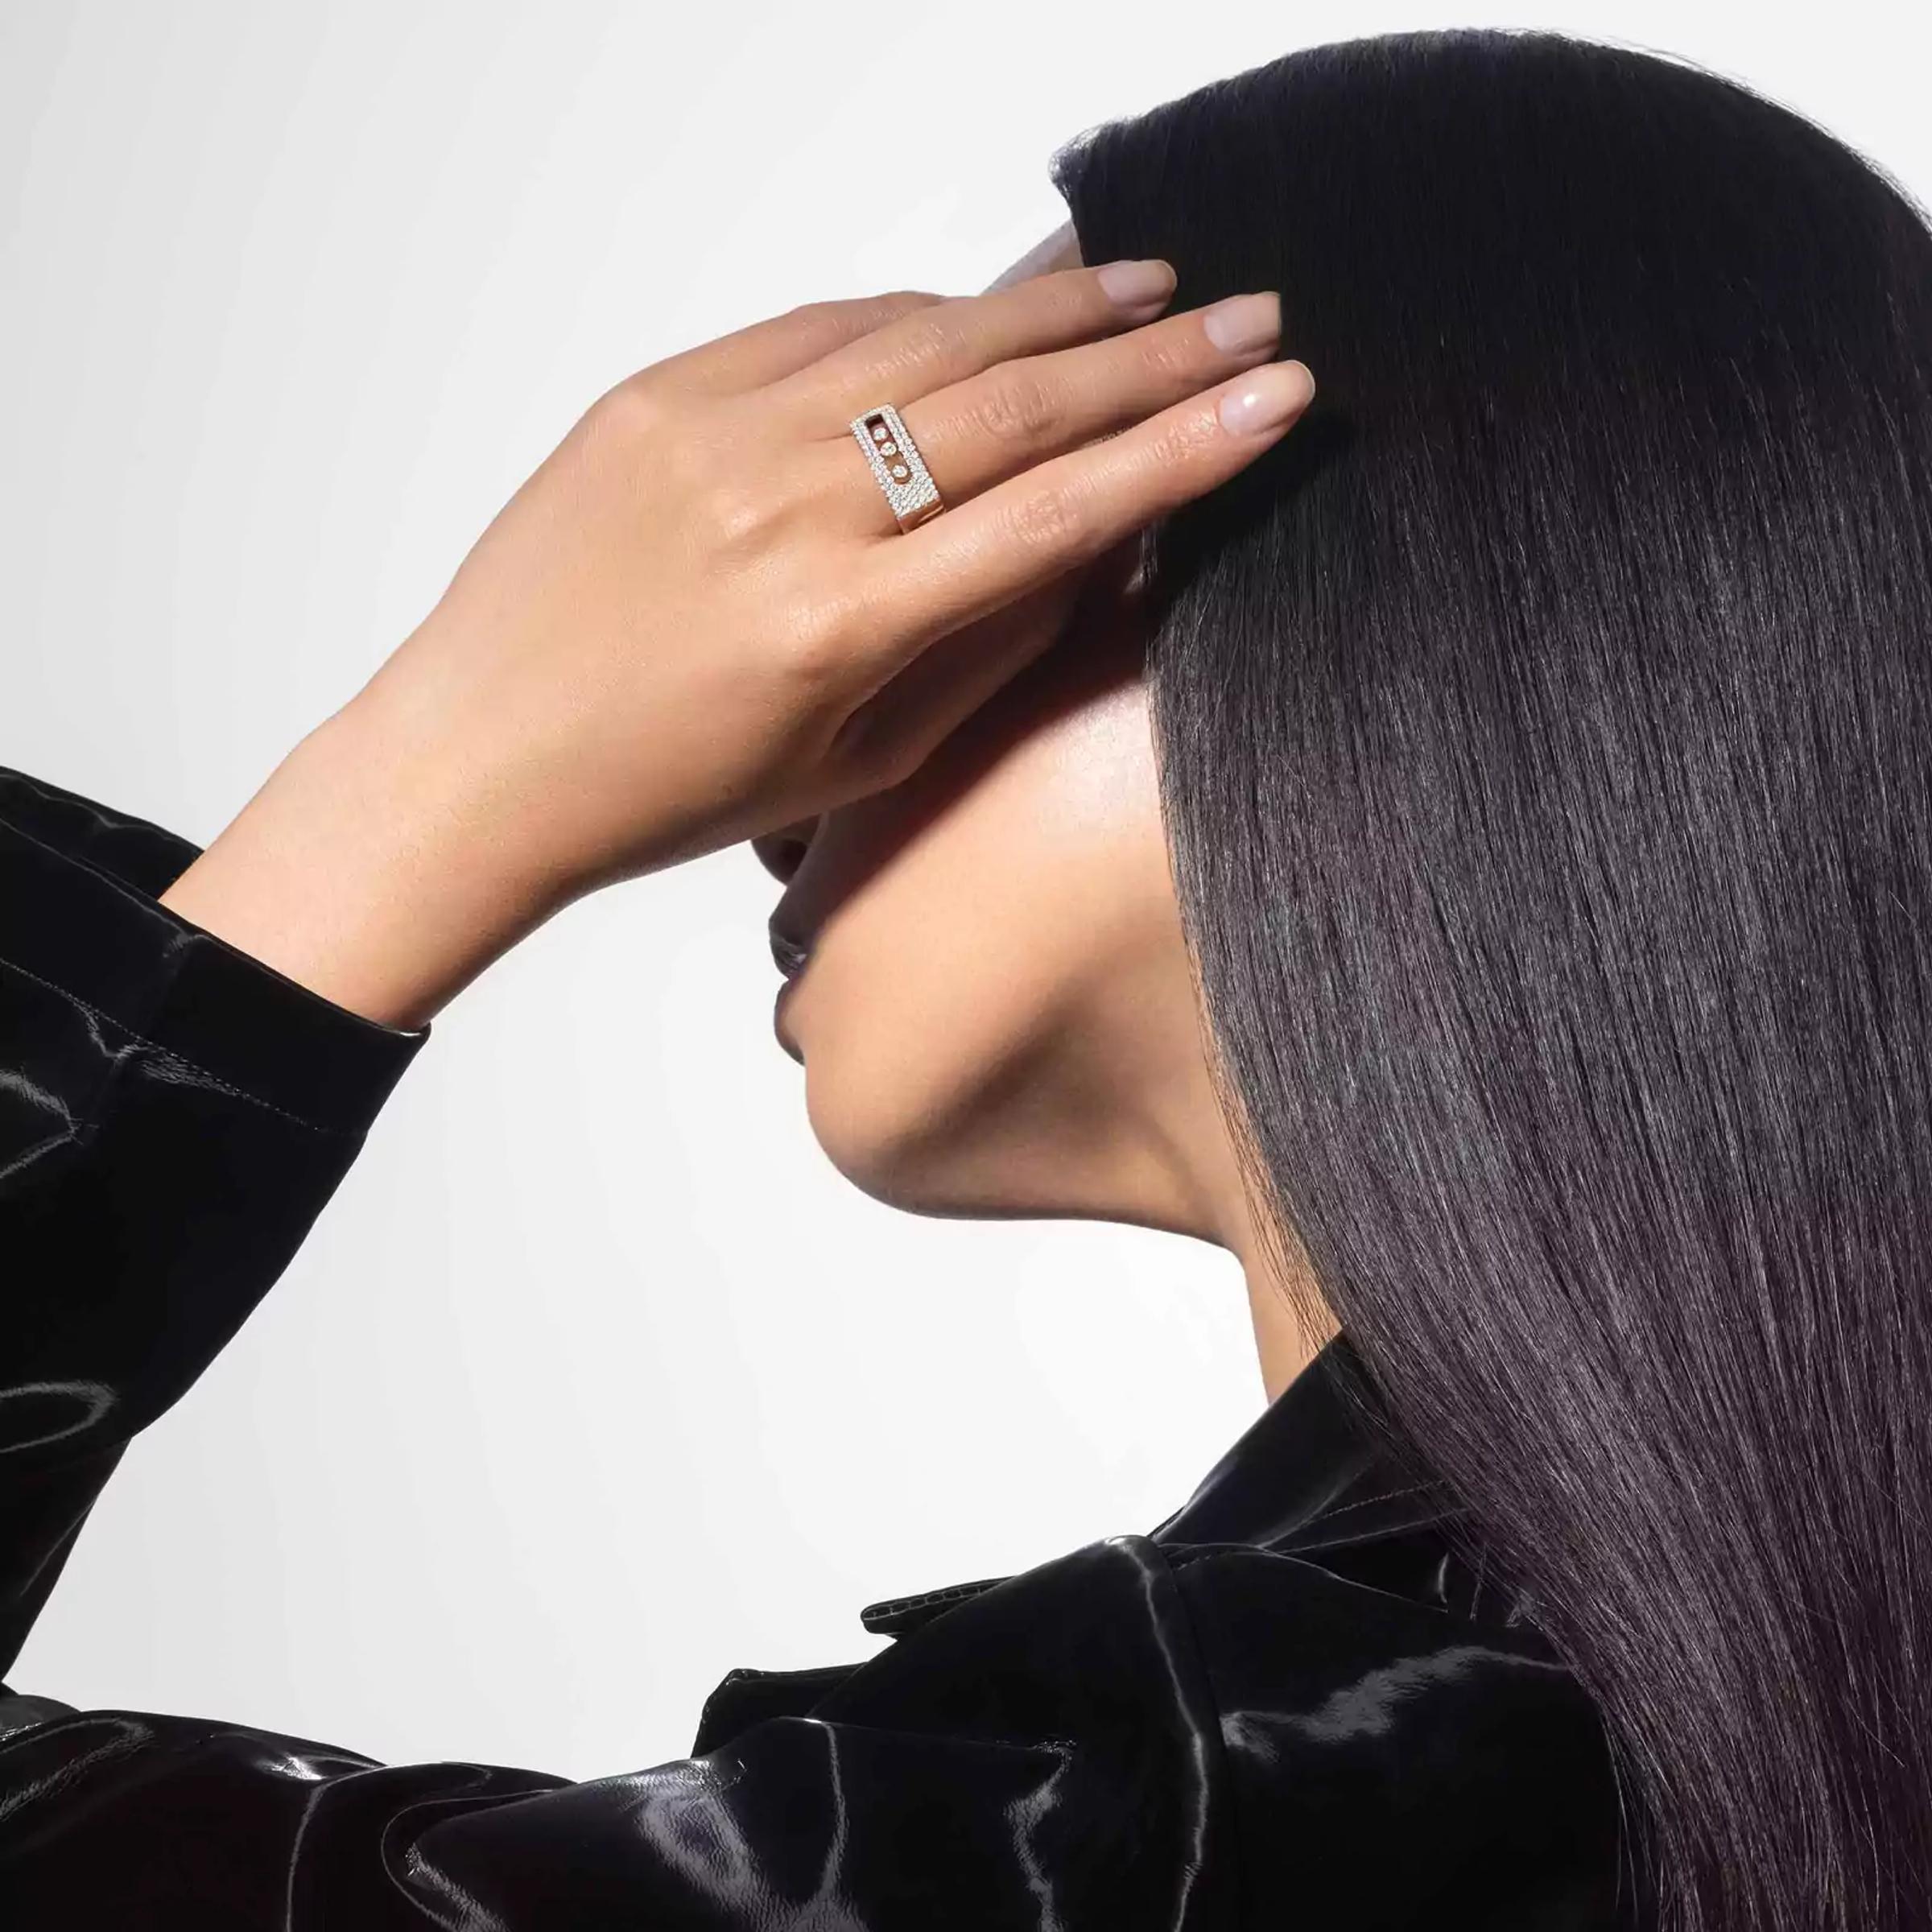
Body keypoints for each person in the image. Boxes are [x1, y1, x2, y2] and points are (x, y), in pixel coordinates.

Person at [5, 23, 1930, 1930]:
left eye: (946, 535)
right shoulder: (1462, 1751)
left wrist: (423, 790)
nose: (778, 780)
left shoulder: (1209, 1830)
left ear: (1395, 632)